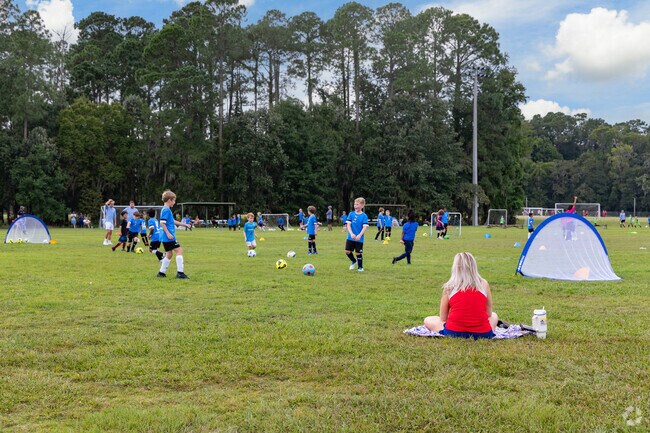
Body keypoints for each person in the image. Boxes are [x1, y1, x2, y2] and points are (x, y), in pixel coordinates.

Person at [423, 252, 499, 339]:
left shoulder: (449, 287)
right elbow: (488, 313)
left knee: (428, 319)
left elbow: (443, 318)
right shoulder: (483, 283)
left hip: (453, 332)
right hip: (483, 333)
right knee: (494, 315)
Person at [157, 190, 191, 279]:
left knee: (169, 254)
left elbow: (172, 221)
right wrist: (168, 234)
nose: (174, 202)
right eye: (174, 200)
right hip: (168, 236)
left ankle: (161, 273)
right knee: (179, 251)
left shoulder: (166, 210)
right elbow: (162, 223)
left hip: (166, 237)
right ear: (170, 200)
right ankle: (180, 273)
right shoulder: (166, 210)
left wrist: (185, 224)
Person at [345, 197, 369, 272]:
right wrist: (351, 233)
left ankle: (360, 267)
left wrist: (359, 235)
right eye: (355, 204)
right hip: (350, 237)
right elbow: (348, 225)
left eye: (357, 204)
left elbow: (365, 227)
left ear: (362, 206)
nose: (355, 206)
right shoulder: (351, 214)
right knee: (347, 251)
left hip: (359, 238)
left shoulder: (364, 216)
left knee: (358, 253)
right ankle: (353, 261)